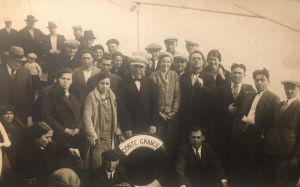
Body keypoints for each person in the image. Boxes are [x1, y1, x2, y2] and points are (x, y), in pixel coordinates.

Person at [230, 68, 280, 187]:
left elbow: (275, 122)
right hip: (242, 132)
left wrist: (264, 135)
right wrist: (237, 127)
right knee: (238, 164)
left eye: (262, 80)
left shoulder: (273, 98)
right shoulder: (249, 95)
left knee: (251, 167)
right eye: (257, 80)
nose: (259, 82)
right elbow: (240, 112)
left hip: (256, 136)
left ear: (268, 81)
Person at [14, 121, 81, 187]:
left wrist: (69, 149)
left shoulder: (45, 144)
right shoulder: (26, 154)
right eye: (47, 137)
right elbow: (40, 176)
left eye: (51, 137)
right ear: (35, 137)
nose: (50, 140)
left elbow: (57, 147)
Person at [260, 80, 300, 187]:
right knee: (266, 177)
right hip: (270, 146)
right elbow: (271, 123)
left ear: (298, 89)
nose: (289, 90)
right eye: (287, 88)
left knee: (279, 180)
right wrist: (267, 135)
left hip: (286, 149)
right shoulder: (279, 105)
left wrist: (296, 156)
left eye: (293, 88)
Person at [216, 63, 255, 171]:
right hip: (223, 129)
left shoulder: (250, 90)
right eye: (234, 72)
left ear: (244, 75)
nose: (237, 75)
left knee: (238, 157)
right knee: (223, 155)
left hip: (240, 130)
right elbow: (213, 107)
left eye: (240, 73)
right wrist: (226, 108)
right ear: (230, 74)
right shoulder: (221, 88)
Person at [83, 73, 123, 169]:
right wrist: (92, 135)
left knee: (110, 161)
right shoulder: (91, 97)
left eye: (107, 84)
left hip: (110, 135)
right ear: (97, 83)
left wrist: (117, 129)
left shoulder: (112, 96)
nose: (105, 86)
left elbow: (115, 116)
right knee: (98, 161)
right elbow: (87, 117)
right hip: (98, 135)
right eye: (102, 83)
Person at [117, 55, 158, 137]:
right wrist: (127, 127)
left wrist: (153, 124)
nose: (138, 70)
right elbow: (121, 107)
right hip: (131, 127)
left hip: (147, 126)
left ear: (144, 68)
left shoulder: (150, 82)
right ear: (131, 67)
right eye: (135, 66)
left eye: (141, 67)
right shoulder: (123, 83)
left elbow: (154, 104)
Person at [42, 68, 82, 150]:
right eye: (63, 78)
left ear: (71, 81)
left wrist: (78, 127)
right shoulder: (50, 95)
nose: (65, 81)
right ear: (58, 79)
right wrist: (64, 129)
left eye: (68, 79)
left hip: (74, 135)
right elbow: (46, 116)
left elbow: (80, 114)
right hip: (58, 136)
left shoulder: (75, 95)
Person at [178, 50, 212, 144]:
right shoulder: (183, 76)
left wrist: (203, 86)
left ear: (203, 62)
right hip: (185, 117)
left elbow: (214, 94)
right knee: (185, 142)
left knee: (201, 143)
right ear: (190, 61)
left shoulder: (208, 76)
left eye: (199, 58)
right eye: (194, 58)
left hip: (202, 117)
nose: (196, 60)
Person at [150, 52, 180, 155]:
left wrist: (174, 111)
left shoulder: (174, 75)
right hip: (159, 116)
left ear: (171, 63)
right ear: (159, 62)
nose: (165, 64)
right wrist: (159, 113)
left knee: (171, 142)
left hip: (171, 116)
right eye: (163, 62)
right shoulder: (154, 76)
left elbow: (177, 96)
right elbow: (152, 99)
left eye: (168, 62)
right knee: (158, 142)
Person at [0, 46, 33, 124]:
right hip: (1, 115)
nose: (18, 64)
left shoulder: (26, 72)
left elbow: (30, 94)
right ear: (8, 58)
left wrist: (27, 112)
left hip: (20, 115)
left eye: (20, 61)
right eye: (15, 61)